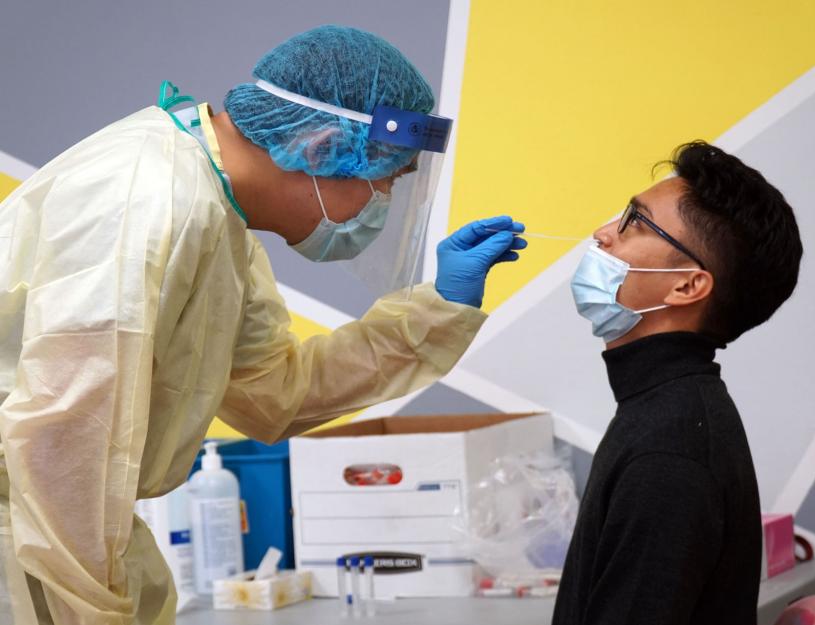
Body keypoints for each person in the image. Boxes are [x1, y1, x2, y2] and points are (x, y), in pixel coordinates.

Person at [0, 26, 526, 624]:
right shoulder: (147, 202)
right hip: (33, 543)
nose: (382, 201)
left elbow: (271, 393)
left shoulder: (214, 210)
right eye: (387, 179)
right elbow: (63, 441)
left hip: (57, 533)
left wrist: (438, 308)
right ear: (323, 149)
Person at [555, 141, 803, 625]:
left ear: (687, 285)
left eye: (634, 222)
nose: (603, 233)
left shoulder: (667, 452)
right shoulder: (671, 408)